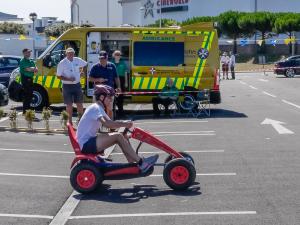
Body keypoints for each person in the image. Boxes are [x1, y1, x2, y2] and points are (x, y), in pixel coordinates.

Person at [76, 84, 159, 173]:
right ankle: (141, 163)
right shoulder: (96, 108)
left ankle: (132, 164)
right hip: (86, 144)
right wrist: (124, 124)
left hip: (88, 141)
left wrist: (124, 125)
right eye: (109, 98)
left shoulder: (98, 108)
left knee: (121, 136)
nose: (111, 100)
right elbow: (108, 124)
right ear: (101, 97)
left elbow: (111, 124)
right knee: (118, 137)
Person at [57, 47, 88, 124]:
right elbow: (58, 76)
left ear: (74, 53)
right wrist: (68, 79)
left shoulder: (77, 59)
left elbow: (85, 64)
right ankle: (69, 122)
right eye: (69, 53)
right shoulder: (62, 63)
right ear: (66, 54)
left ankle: (80, 120)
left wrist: (82, 72)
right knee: (69, 105)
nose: (71, 54)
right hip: (67, 86)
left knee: (80, 104)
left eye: (72, 53)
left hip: (77, 85)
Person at [89, 51, 121, 119]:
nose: (102, 60)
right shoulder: (95, 67)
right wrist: (98, 80)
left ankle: (111, 126)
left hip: (109, 92)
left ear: (107, 58)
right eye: (101, 58)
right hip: (98, 92)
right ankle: (97, 127)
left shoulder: (112, 66)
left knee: (110, 109)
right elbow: (90, 79)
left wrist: (118, 87)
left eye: (104, 58)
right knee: (97, 109)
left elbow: (116, 78)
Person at [19, 48, 38, 114]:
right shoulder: (22, 61)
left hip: (30, 79)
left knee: (30, 95)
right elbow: (27, 69)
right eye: (28, 52)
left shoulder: (31, 61)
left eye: (29, 52)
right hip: (25, 79)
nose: (29, 53)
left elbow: (36, 69)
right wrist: (32, 69)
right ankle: (25, 111)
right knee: (27, 95)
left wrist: (32, 69)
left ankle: (28, 110)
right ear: (24, 53)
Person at [112, 50, 128, 117]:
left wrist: (126, 82)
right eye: (116, 54)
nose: (118, 56)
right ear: (114, 55)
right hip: (113, 80)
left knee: (121, 97)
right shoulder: (111, 63)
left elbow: (125, 73)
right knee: (112, 97)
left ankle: (121, 112)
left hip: (121, 80)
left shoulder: (123, 63)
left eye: (119, 55)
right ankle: (113, 112)